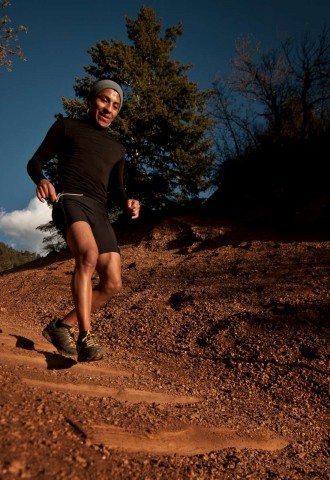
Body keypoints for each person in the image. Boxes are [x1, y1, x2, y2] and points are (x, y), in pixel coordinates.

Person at [27, 79, 140, 362]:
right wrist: (41, 179)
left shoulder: (117, 149)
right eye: (104, 100)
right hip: (71, 200)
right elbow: (36, 161)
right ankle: (86, 336)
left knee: (113, 283)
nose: (109, 109)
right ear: (91, 101)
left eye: (115, 105)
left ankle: (60, 326)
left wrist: (127, 202)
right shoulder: (67, 127)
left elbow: (117, 189)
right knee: (87, 255)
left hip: (99, 212)